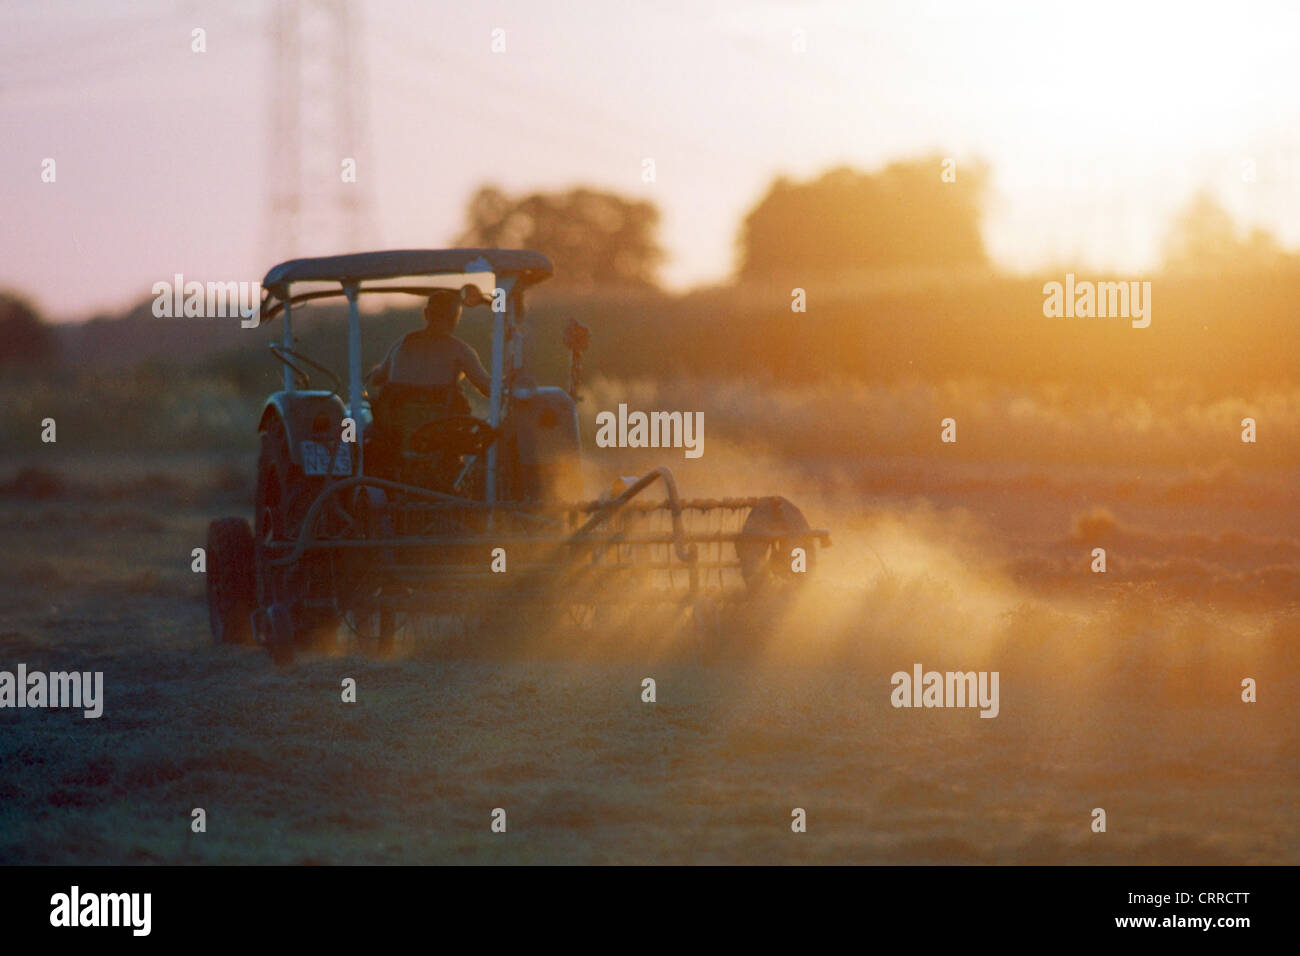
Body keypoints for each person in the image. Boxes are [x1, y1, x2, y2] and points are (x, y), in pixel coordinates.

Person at [366, 289, 490, 398]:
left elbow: (375, 379)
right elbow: (489, 389)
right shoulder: (461, 350)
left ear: (426, 314)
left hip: (398, 422)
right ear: (455, 317)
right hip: (442, 423)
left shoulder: (401, 345)